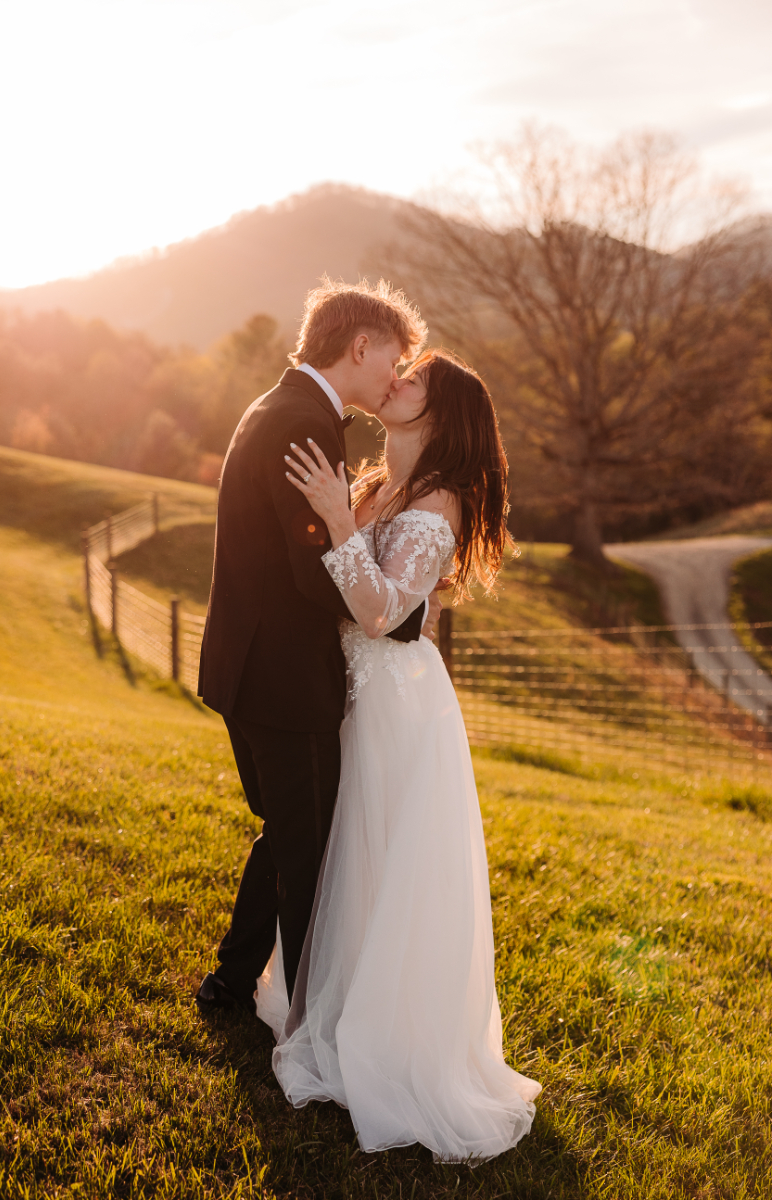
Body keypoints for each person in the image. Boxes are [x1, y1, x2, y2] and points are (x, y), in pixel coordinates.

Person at [255, 349, 541, 1162]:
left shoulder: (441, 502)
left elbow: (381, 614)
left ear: (440, 412)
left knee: (384, 860)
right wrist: (346, 511)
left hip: (396, 702)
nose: (397, 379)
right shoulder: (380, 484)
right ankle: (333, 1006)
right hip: (345, 693)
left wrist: (338, 521)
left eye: (414, 377)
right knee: (344, 850)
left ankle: (390, 1040)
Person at [195, 279, 441, 1013]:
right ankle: (308, 1027)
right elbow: (313, 572)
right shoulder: (305, 424)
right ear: (359, 346)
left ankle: (231, 983)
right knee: (306, 856)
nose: (396, 378)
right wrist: (401, 614)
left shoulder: (276, 405)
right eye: (393, 361)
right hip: (286, 680)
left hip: (251, 666)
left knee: (285, 835)